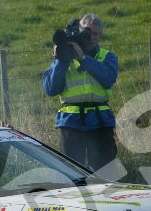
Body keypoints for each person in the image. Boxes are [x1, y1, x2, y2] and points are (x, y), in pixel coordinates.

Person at [42, 13, 119, 172]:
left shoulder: (107, 56)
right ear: (79, 33)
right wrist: (62, 60)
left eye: (95, 34)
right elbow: (50, 89)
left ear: (100, 35)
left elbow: (108, 78)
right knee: (70, 173)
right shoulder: (65, 58)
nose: (90, 38)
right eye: (86, 33)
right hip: (70, 122)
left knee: (105, 173)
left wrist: (83, 58)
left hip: (100, 122)